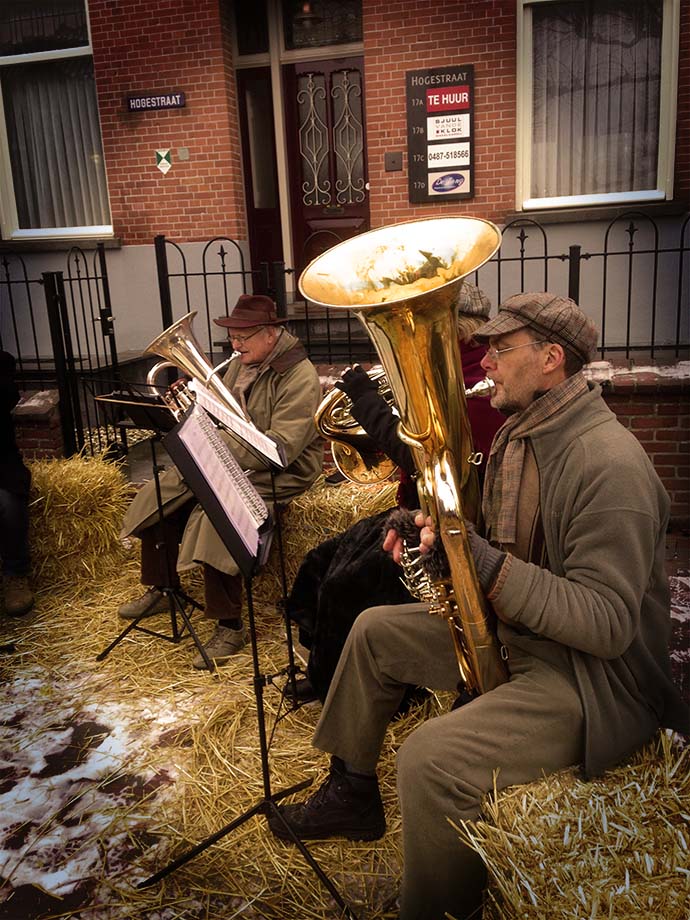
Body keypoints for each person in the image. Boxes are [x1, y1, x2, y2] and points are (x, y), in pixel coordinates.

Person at [267, 292, 689, 920]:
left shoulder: (610, 465)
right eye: (486, 345)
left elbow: (605, 625)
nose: (484, 359)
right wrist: (425, 530)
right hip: (524, 635)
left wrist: (486, 565)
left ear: (551, 359)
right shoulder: (526, 435)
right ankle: (353, 790)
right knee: (373, 631)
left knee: (429, 760)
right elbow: (489, 538)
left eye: (501, 347)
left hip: (597, 680)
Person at [286, 283, 504, 702]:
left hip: (443, 525)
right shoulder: (440, 368)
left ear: (456, 328)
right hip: (411, 510)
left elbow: (425, 458)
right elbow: (406, 440)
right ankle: (326, 668)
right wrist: (371, 423)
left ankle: (363, 690)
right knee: (321, 560)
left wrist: (368, 405)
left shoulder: (476, 381)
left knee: (344, 585)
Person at [118, 294, 323, 668]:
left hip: (278, 471)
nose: (235, 344)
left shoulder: (299, 376)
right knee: (162, 491)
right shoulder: (241, 365)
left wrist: (211, 447)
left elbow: (282, 447)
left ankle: (230, 626)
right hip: (230, 456)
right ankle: (163, 588)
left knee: (218, 515)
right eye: (233, 335)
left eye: (244, 335)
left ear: (271, 335)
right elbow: (216, 416)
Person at [0, 350, 34, 617]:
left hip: (1, 465)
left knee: (8, 504)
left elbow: (8, 396)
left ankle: (16, 574)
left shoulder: (3, 363)